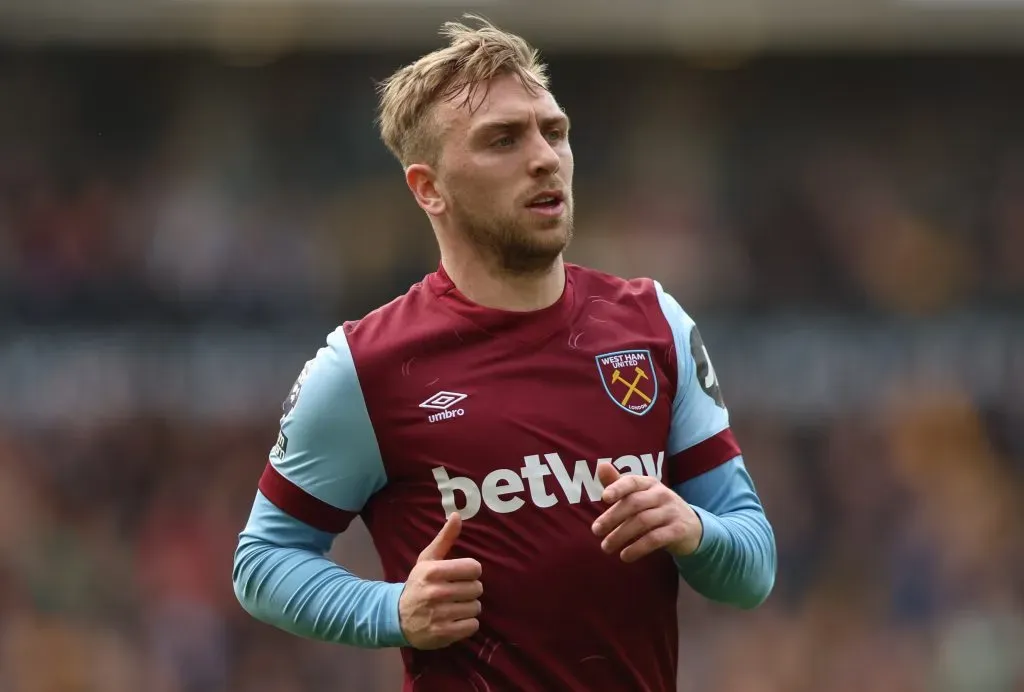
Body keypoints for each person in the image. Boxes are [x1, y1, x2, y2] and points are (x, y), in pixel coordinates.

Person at [233, 16, 776, 691]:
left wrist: (695, 529)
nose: (545, 157)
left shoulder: (654, 324)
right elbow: (264, 561)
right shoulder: (366, 365)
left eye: (554, 131)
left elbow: (753, 569)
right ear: (428, 188)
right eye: (503, 140)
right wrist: (390, 609)